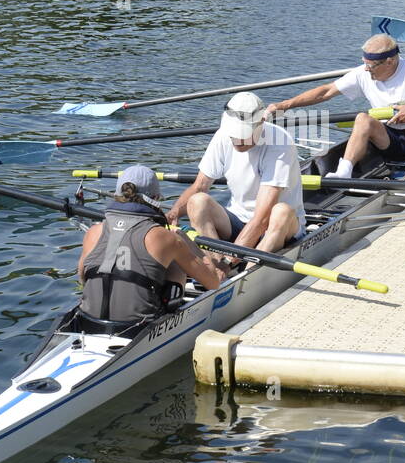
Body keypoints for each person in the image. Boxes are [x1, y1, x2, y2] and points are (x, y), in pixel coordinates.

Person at [266, 33, 405, 179]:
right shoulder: (363, 73)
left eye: (372, 66)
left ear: (390, 61)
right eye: (365, 64)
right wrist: (283, 105)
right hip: (389, 137)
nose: (367, 69)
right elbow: (325, 92)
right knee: (362, 118)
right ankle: (344, 171)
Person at [77, 164, 224, 327]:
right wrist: (186, 242)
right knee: (175, 261)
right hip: (138, 327)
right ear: (155, 198)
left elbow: (83, 279)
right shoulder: (166, 238)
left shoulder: (93, 232)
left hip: (89, 320)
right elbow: (214, 283)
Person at [165, 92, 306, 253]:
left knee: (281, 212)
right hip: (237, 221)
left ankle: (244, 272)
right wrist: (174, 212)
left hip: (275, 228)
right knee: (197, 201)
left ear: (261, 123)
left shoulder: (280, 144)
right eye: (234, 134)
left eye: (242, 134)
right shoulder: (223, 135)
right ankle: (214, 265)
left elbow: (262, 219)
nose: (237, 140)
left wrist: (230, 259)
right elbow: (199, 186)